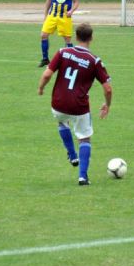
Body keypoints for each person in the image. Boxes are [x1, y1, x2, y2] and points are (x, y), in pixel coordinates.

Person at [38, 23, 112, 185]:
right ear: (91, 38)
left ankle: (72, 154)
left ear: (75, 36)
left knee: (62, 121)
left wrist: (41, 88)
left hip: (58, 103)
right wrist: (107, 105)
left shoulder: (62, 52)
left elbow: (47, 74)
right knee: (84, 139)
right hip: (79, 107)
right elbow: (107, 89)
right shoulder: (94, 60)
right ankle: (82, 177)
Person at [39, 0, 80, 67]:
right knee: (43, 35)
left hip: (65, 17)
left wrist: (71, 11)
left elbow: (76, 2)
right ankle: (45, 59)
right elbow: (48, 0)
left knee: (67, 39)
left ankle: (70, 61)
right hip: (52, 15)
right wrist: (45, 15)